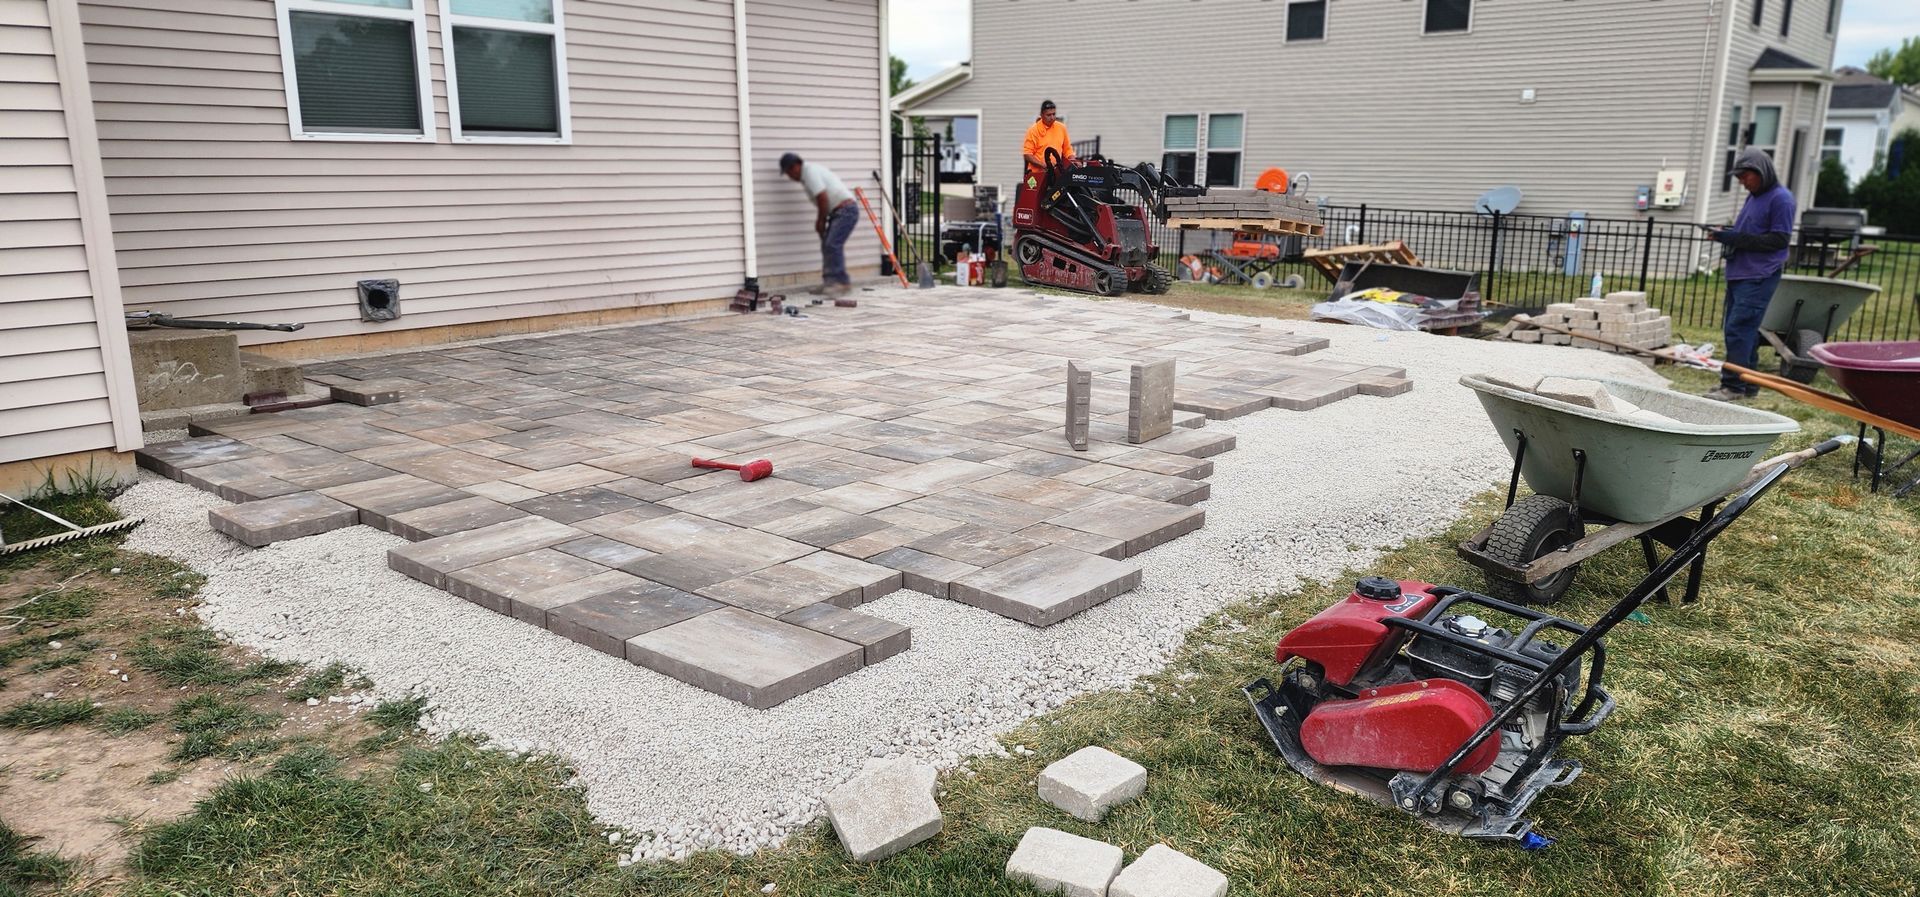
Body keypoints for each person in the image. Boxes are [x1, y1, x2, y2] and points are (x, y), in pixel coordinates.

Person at [1702, 147, 1795, 402]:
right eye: (1739, 178)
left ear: (1761, 171)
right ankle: (1749, 385)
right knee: (1746, 331)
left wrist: (1733, 238)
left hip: (1759, 275)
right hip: (1741, 273)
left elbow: (1778, 240)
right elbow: (1750, 232)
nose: (1742, 183)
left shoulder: (1781, 199)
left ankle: (1733, 386)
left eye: (1745, 176)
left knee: (1739, 328)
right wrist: (1726, 233)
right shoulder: (1754, 197)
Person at [780, 152, 857, 298]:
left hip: (846, 210)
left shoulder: (809, 172)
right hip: (837, 212)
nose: (790, 177)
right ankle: (830, 282)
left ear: (795, 166)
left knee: (832, 244)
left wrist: (821, 221)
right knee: (827, 245)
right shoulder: (807, 174)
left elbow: (822, 198)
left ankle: (841, 283)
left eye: (789, 173)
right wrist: (823, 220)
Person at [1021, 99, 1073, 191]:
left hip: (1055, 174)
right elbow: (1027, 154)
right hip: (1036, 176)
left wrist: (1073, 160)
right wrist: (1044, 165)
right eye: (1048, 115)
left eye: (1054, 114)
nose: (1052, 117)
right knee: (1034, 199)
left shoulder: (1061, 128)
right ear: (1041, 115)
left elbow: (1067, 150)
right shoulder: (1033, 130)